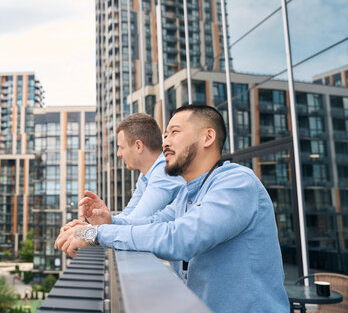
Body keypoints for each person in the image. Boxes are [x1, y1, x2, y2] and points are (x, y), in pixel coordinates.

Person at [55, 105, 290, 313]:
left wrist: (96, 235)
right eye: (165, 134)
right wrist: (104, 223)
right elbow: (154, 223)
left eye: (174, 132)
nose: (165, 142)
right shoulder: (188, 194)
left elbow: (181, 237)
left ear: (208, 137)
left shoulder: (237, 182)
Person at [84, 113, 184, 224]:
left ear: (138, 146)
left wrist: (98, 227)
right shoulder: (145, 175)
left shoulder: (164, 172)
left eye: (121, 147)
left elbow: (135, 220)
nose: (118, 154)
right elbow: (129, 213)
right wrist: (103, 218)